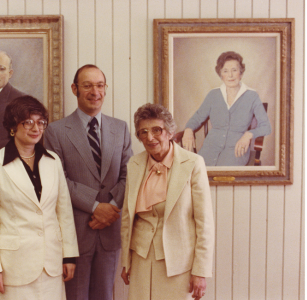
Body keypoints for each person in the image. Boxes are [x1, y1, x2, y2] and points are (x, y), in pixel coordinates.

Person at [44, 64, 132, 300]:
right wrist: (96, 207)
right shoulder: (55, 131)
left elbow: (129, 174)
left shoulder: (121, 128)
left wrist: (111, 209)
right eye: (88, 85)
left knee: (105, 296)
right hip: (76, 233)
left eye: (100, 85)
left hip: (110, 232)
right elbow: (58, 180)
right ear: (75, 89)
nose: (95, 91)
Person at [0, 96, 79, 299]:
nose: (36, 128)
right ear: (13, 125)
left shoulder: (53, 160)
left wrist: (69, 256)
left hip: (51, 265)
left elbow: (64, 212)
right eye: (28, 122)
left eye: (41, 122)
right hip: (13, 267)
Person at [121, 103, 214, 300]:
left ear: (170, 132)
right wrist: (126, 262)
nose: (150, 137)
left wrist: (200, 271)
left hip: (179, 264)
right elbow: (128, 218)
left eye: (157, 130)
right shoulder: (135, 164)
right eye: (143, 132)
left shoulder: (193, 163)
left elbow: (204, 223)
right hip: (141, 259)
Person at [182, 51, 271, 166]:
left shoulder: (252, 96)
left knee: (224, 178)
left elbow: (266, 127)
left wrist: (248, 134)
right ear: (220, 74)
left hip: (237, 149)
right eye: (225, 71)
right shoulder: (213, 95)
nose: (230, 75)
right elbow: (197, 117)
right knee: (199, 175)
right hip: (210, 147)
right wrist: (188, 129)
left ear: (241, 72)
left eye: (234, 70)